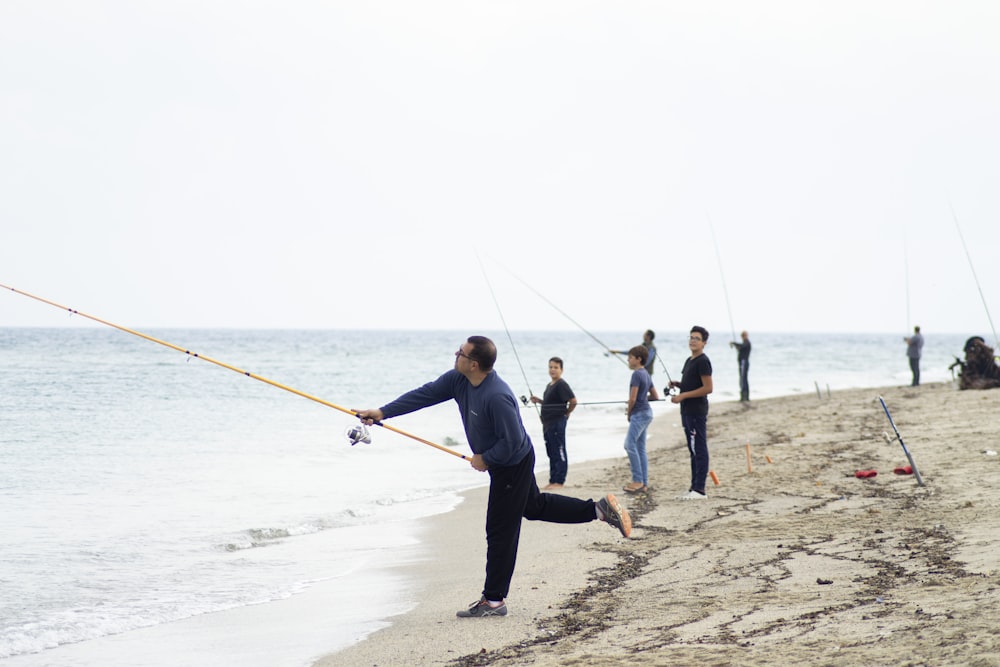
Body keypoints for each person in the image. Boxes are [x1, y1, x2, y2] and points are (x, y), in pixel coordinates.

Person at [356, 335, 632, 619]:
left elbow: (511, 442)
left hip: (512, 464)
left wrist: (486, 458)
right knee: (533, 507)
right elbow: (425, 394)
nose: (456, 355)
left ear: (473, 363)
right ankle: (599, 510)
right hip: (509, 461)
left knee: (500, 531)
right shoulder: (458, 380)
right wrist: (383, 412)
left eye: (460, 353)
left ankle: (494, 601)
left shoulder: (496, 395)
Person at [669, 326, 713, 500]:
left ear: (704, 343)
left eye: (697, 338)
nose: (693, 340)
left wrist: (684, 395)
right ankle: (693, 487)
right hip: (686, 411)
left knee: (699, 448)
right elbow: (694, 383)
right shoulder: (690, 360)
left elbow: (708, 388)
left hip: (696, 411)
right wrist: (679, 385)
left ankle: (700, 489)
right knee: (692, 449)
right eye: (691, 337)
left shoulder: (703, 361)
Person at [529, 356, 577, 490]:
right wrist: (539, 401)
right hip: (548, 424)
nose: (552, 370)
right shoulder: (549, 385)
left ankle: (559, 481)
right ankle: (553, 479)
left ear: (561, 369)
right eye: (550, 367)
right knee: (551, 451)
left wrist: (567, 413)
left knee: (559, 449)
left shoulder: (561, 384)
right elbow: (551, 403)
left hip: (557, 422)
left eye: (556, 367)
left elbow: (573, 401)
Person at [622, 345, 660, 493]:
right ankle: (643, 482)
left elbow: (632, 398)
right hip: (647, 413)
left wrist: (629, 413)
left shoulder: (637, 374)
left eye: (630, 357)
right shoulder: (646, 374)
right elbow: (655, 396)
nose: (628, 359)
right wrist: (641, 400)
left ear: (638, 359)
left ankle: (637, 480)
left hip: (639, 414)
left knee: (629, 445)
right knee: (640, 448)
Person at [729, 330, 751, 401]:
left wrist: (733, 343)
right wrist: (737, 347)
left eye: (744, 336)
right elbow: (741, 348)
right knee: (743, 378)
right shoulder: (745, 344)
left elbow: (742, 346)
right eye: (742, 336)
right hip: (742, 363)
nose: (743, 337)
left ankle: (744, 396)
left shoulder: (747, 343)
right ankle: (745, 396)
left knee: (743, 379)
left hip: (744, 362)